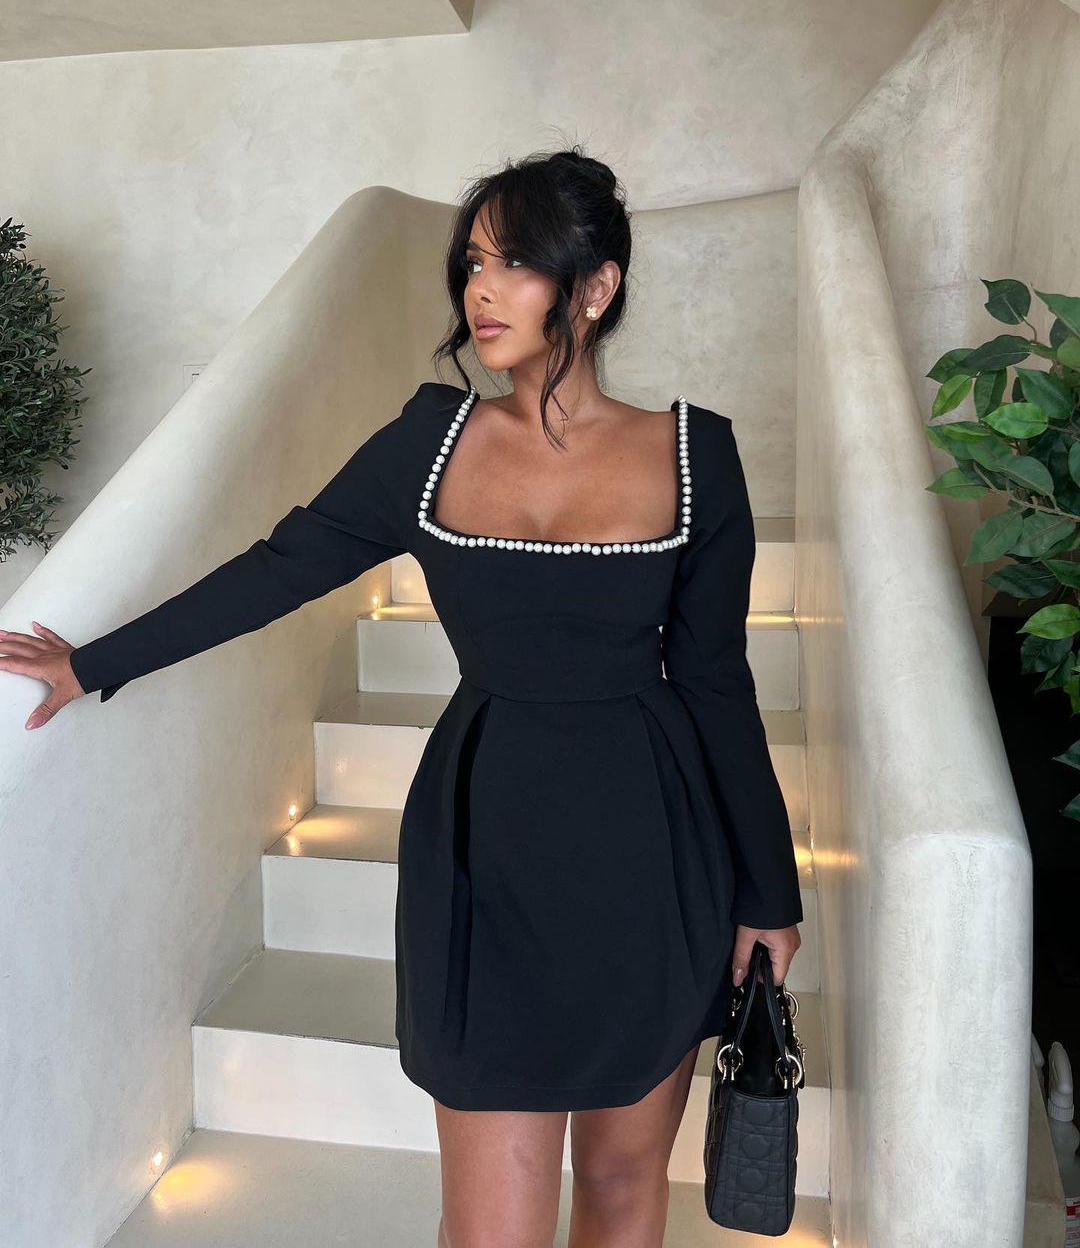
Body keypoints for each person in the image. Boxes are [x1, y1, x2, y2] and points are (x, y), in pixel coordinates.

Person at [0, 145, 802, 1248]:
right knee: (489, 1230)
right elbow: (278, 569)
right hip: (484, 846)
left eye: (514, 262)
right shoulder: (429, 442)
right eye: (472, 261)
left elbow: (716, 682)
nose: (481, 289)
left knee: (623, 1191)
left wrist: (768, 893)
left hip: (654, 853)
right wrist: (93, 663)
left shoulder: (697, 454)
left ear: (596, 285)